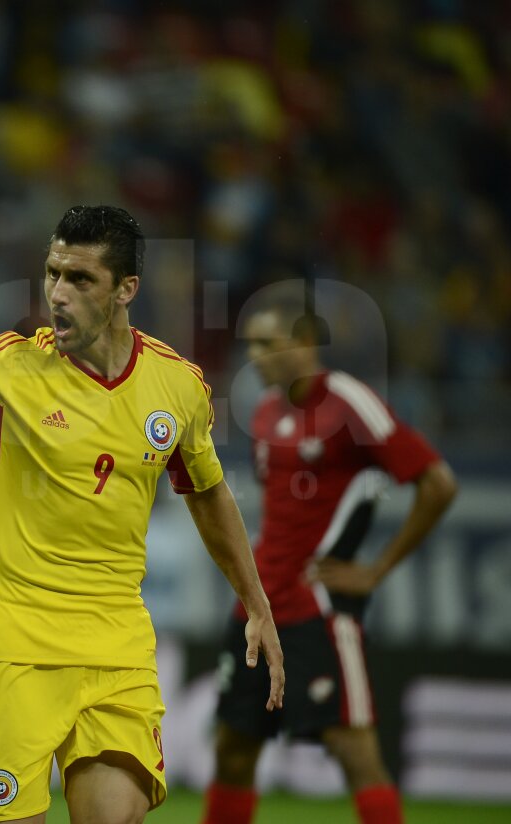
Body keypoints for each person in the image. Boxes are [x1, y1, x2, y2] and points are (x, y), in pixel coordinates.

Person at [0, 205, 285, 824]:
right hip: (14, 652)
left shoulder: (179, 386)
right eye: (53, 274)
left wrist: (257, 604)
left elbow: (208, 492)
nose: (58, 293)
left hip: (118, 651)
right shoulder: (9, 368)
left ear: (126, 290)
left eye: (80, 280)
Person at [200, 292, 458, 824]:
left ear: (306, 342)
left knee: (353, 749)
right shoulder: (267, 412)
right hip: (258, 608)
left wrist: (377, 569)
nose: (256, 355)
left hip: (317, 608)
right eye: (250, 344)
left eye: (269, 343)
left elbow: (438, 482)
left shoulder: (348, 402)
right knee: (232, 749)